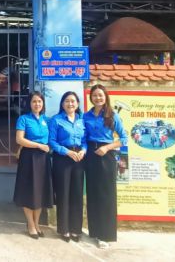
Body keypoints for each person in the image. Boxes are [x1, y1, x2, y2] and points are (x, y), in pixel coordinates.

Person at [83, 84, 125, 249]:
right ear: (91, 98)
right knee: (93, 193)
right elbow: (84, 136)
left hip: (106, 155)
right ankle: (94, 231)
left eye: (100, 95)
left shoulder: (112, 115)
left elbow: (124, 139)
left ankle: (105, 235)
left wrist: (107, 148)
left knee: (106, 195)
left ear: (105, 97)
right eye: (95, 95)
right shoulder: (86, 116)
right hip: (90, 155)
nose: (98, 98)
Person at [48, 91, 87, 242]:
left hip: (79, 158)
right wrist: (67, 152)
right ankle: (64, 229)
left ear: (77, 104)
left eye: (73, 101)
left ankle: (76, 229)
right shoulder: (56, 120)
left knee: (77, 194)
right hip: (62, 158)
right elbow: (52, 141)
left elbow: (85, 140)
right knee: (63, 193)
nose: (70, 104)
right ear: (62, 104)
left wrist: (84, 150)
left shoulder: (82, 120)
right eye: (67, 101)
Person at [13, 92, 53, 239]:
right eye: (34, 101)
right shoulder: (23, 119)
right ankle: (30, 224)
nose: (37, 104)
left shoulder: (46, 120)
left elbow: (52, 138)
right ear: (29, 104)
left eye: (39, 101)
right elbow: (19, 139)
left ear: (43, 104)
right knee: (28, 191)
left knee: (40, 191)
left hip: (43, 159)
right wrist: (38, 145)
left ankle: (37, 223)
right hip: (28, 158)